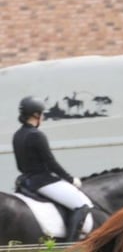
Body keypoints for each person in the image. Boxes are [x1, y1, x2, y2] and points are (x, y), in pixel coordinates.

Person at [13, 96, 94, 241]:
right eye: (42, 114)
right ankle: (69, 247)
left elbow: (20, 165)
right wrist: (70, 179)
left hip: (25, 182)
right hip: (43, 181)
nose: (43, 117)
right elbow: (51, 163)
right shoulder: (36, 135)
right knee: (82, 205)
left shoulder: (17, 135)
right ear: (36, 115)